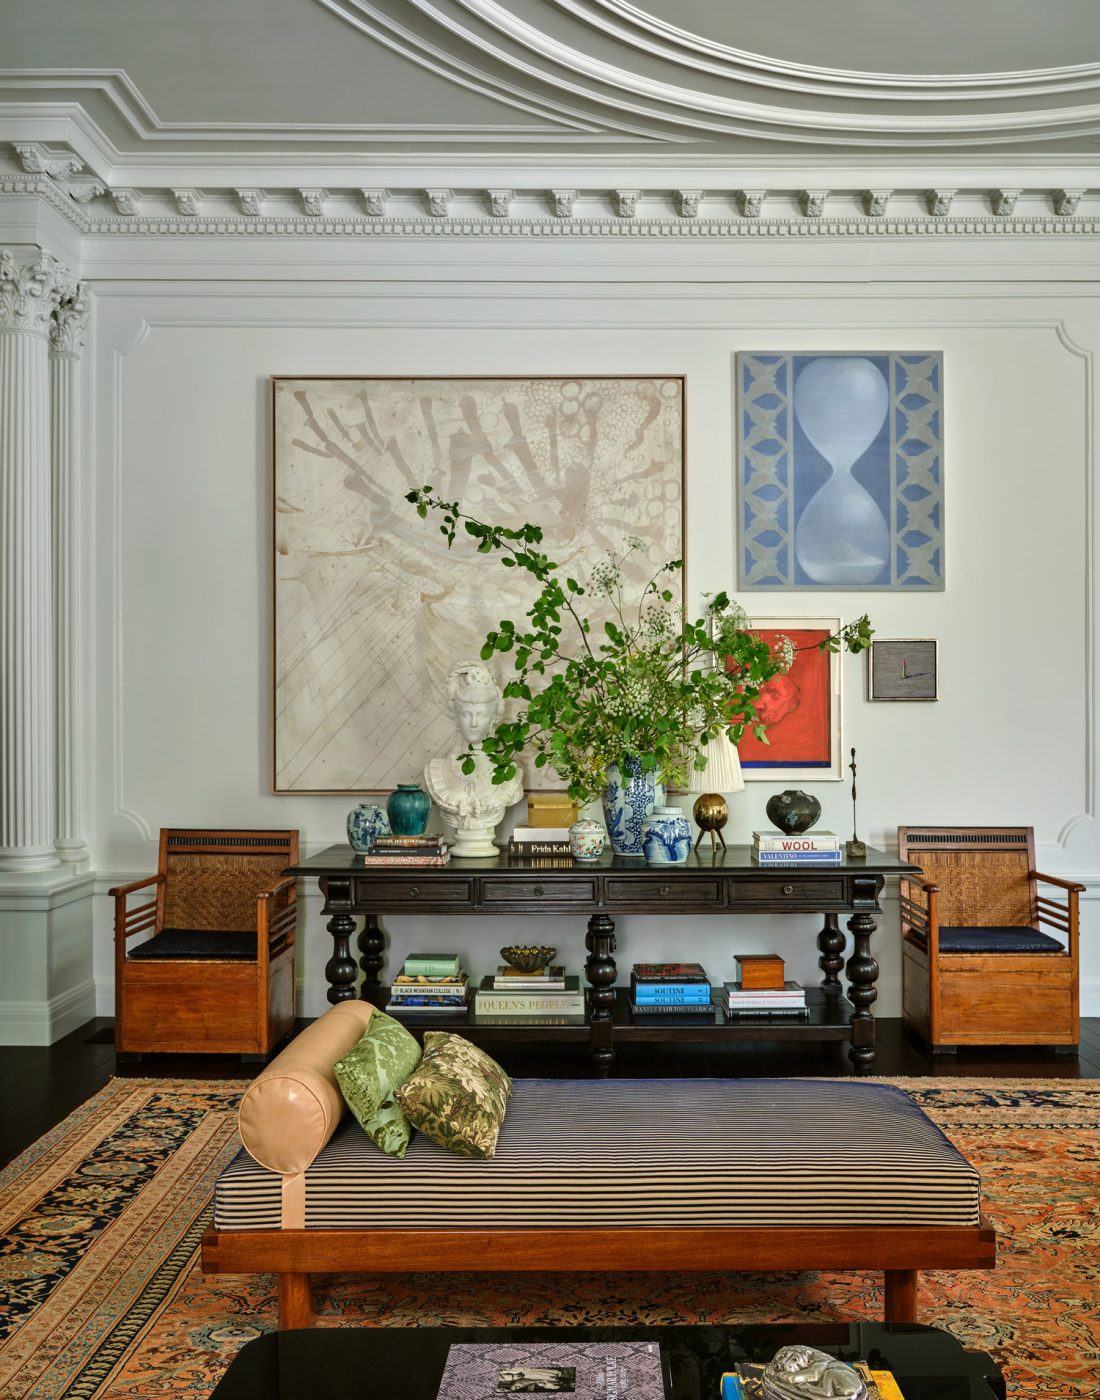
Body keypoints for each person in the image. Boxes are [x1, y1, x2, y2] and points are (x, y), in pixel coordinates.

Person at [423, 662, 524, 856]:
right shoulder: (437, 771)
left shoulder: (508, 774)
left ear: (493, 718)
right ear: (456, 716)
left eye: (482, 715)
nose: (474, 723)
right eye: (466, 715)